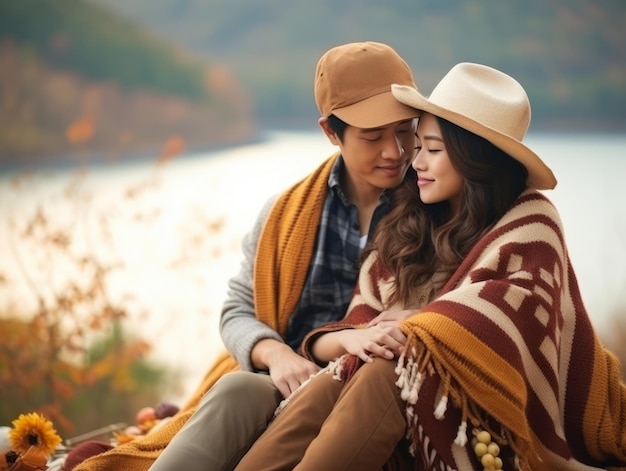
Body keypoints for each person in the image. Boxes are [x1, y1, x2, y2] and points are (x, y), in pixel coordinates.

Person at [234, 63, 626, 470]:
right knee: (353, 371)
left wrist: (413, 330)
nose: (415, 161)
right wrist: (371, 336)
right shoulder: (413, 224)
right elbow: (361, 322)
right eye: (417, 146)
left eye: (433, 150)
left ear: (476, 158)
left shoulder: (531, 225)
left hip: (476, 418)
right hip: (392, 415)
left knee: (386, 369)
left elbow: (502, 318)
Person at [68, 41, 421, 471]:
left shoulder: (434, 206)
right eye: (373, 136)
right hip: (286, 381)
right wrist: (276, 354)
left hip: (369, 387)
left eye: (405, 130)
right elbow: (237, 309)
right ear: (331, 132)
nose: (395, 151)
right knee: (236, 390)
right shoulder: (285, 212)